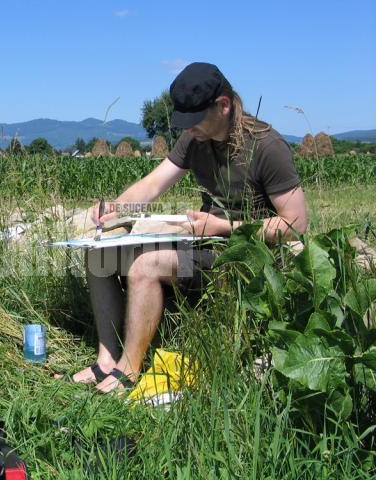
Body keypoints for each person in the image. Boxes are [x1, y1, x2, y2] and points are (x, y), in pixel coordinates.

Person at [71, 62, 308, 393]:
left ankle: (128, 371)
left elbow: (295, 225)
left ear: (223, 106)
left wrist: (223, 227)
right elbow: (152, 185)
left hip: (248, 261)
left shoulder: (267, 147)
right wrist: (116, 208)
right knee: (99, 257)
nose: (189, 128)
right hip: (206, 248)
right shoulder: (196, 138)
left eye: (194, 120)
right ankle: (106, 361)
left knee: (146, 265)